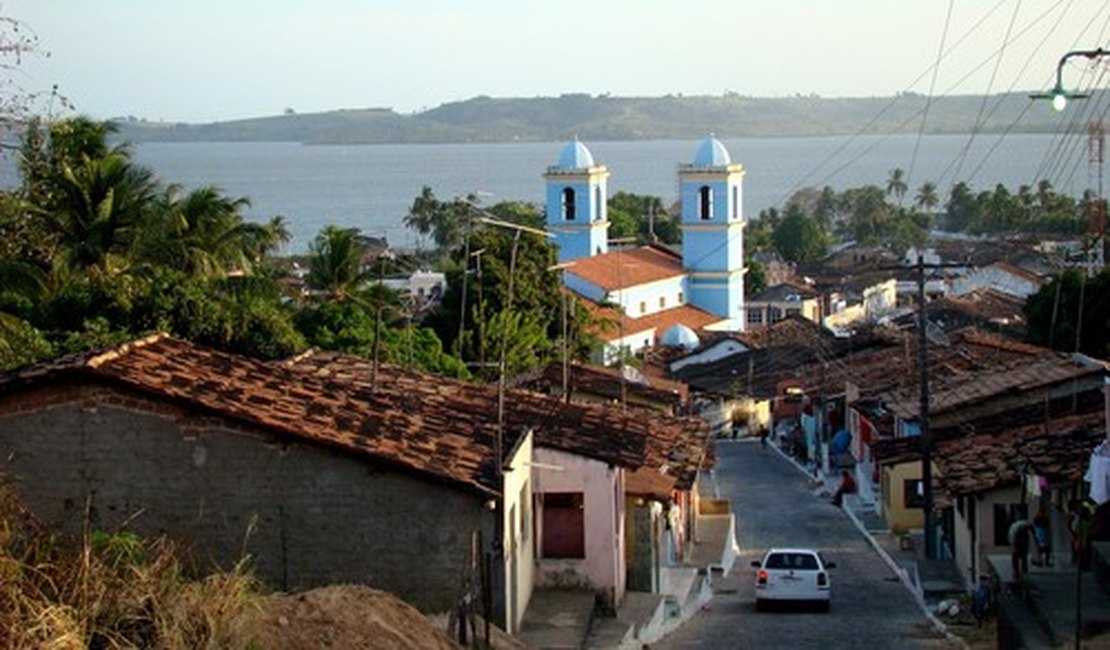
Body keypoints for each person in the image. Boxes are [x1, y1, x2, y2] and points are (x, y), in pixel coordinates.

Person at [1008, 518, 1033, 585]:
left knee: (1021, 557)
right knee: (1018, 557)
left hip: (1016, 540)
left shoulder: (1021, 526)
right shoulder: (1019, 528)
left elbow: (1032, 531)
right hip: (1015, 540)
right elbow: (1014, 540)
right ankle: (1018, 572)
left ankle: (1020, 572)